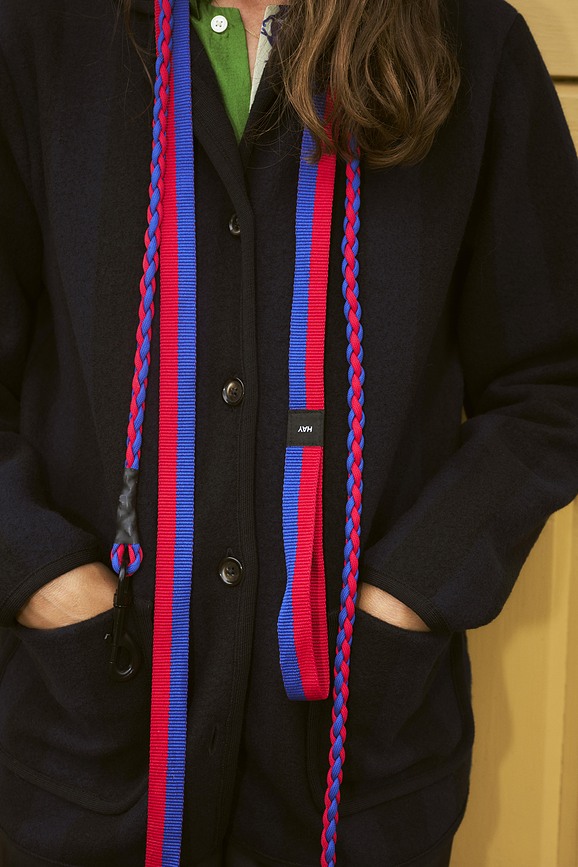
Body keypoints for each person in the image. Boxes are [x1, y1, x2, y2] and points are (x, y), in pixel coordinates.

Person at [0, 0, 577, 864]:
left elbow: (553, 377)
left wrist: (410, 595)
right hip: (80, 763)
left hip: (356, 781)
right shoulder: (37, 33)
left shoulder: (471, 43)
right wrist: (43, 579)